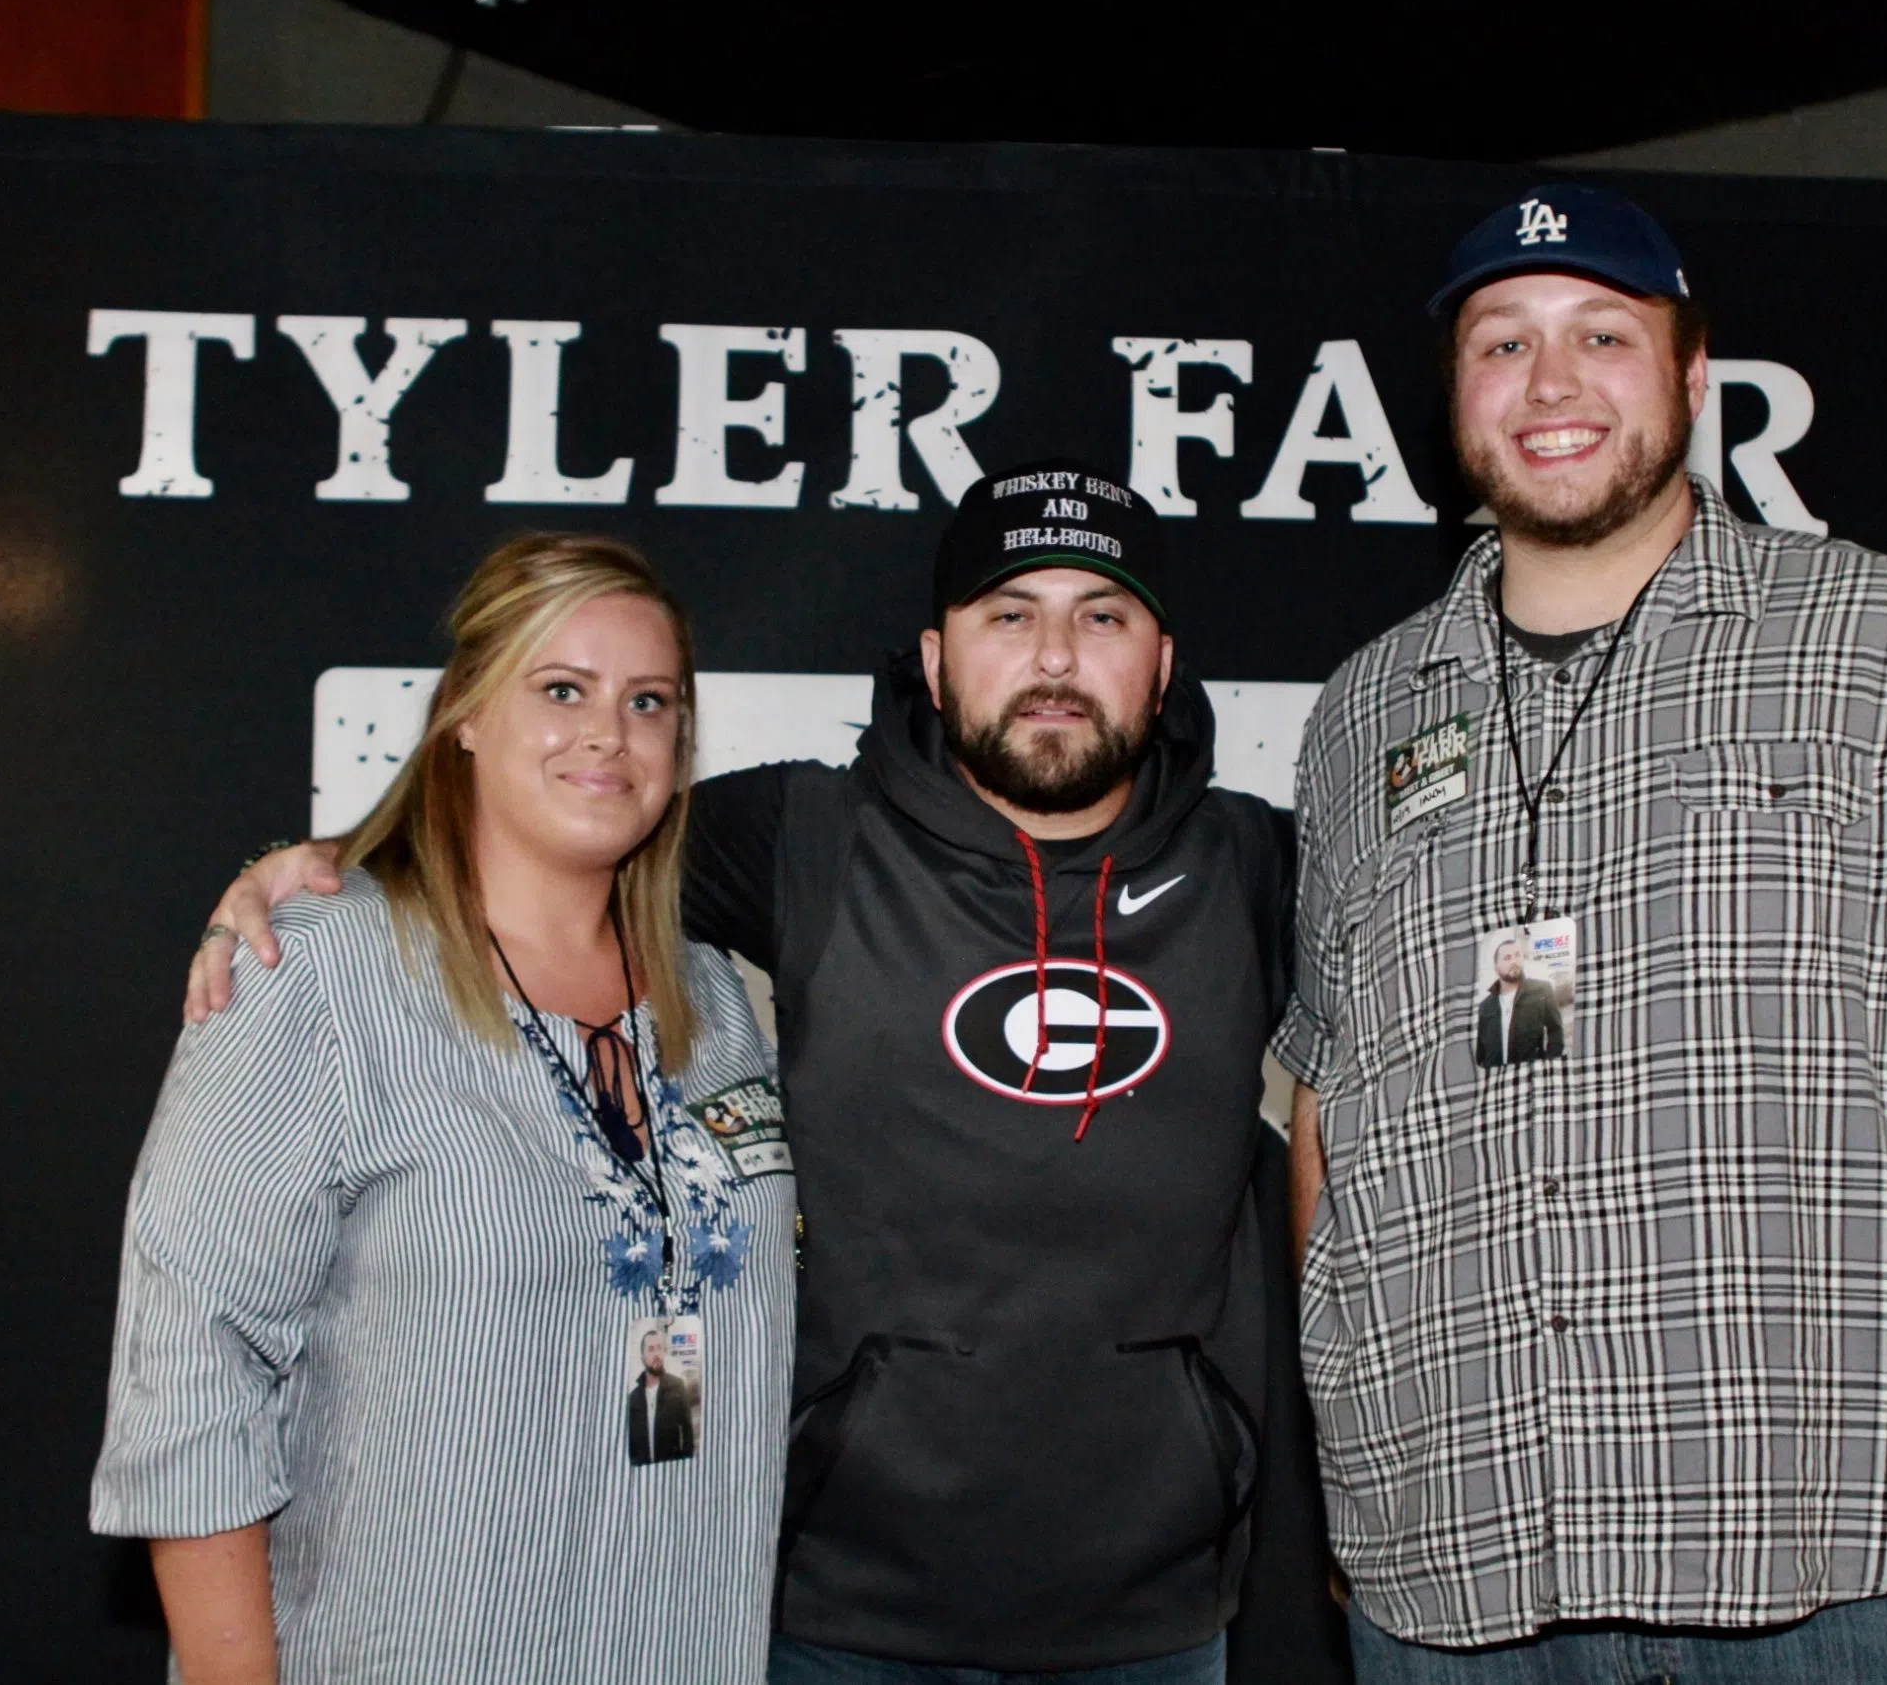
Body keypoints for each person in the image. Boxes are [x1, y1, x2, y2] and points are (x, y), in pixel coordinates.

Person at [193, 466, 1346, 1685]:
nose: (1054, 656)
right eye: (1009, 614)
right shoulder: (808, 836)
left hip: (1151, 1618)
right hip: (834, 1609)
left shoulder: (1258, 868)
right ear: (936, 660)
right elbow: (556, 829)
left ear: (1161, 667)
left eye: (1100, 617)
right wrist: (327, 859)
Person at [1280, 185, 1887, 1683]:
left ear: (1692, 378)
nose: (1550, 383)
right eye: (1503, 342)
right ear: (1454, 397)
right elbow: (1328, 1092)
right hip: (1457, 1582)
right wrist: (1358, 1457)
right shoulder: (1364, 713)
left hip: (1859, 1578)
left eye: (1602, 336)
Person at [94, 534, 794, 1684]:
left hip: (680, 1642)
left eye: (648, 701)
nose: (607, 733)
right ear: (464, 714)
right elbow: (191, 1371)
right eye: (560, 689)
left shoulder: (716, 999)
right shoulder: (317, 972)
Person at [1470, 930, 1562, 1066]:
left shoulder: (1542, 990)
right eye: (1507, 958)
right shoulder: (1484, 1007)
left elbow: (1555, 1029)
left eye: (1517, 955)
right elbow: (1480, 1051)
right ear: (1496, 968)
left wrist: (1550, 1061)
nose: (1514, 961)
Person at [628, 1324, 700, 1464]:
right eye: (651, 1349)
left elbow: (688, 1432)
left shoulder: (677, 1386)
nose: (656, 1354)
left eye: (659, 1348)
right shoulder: (633, 1399)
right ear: (642, 1357)